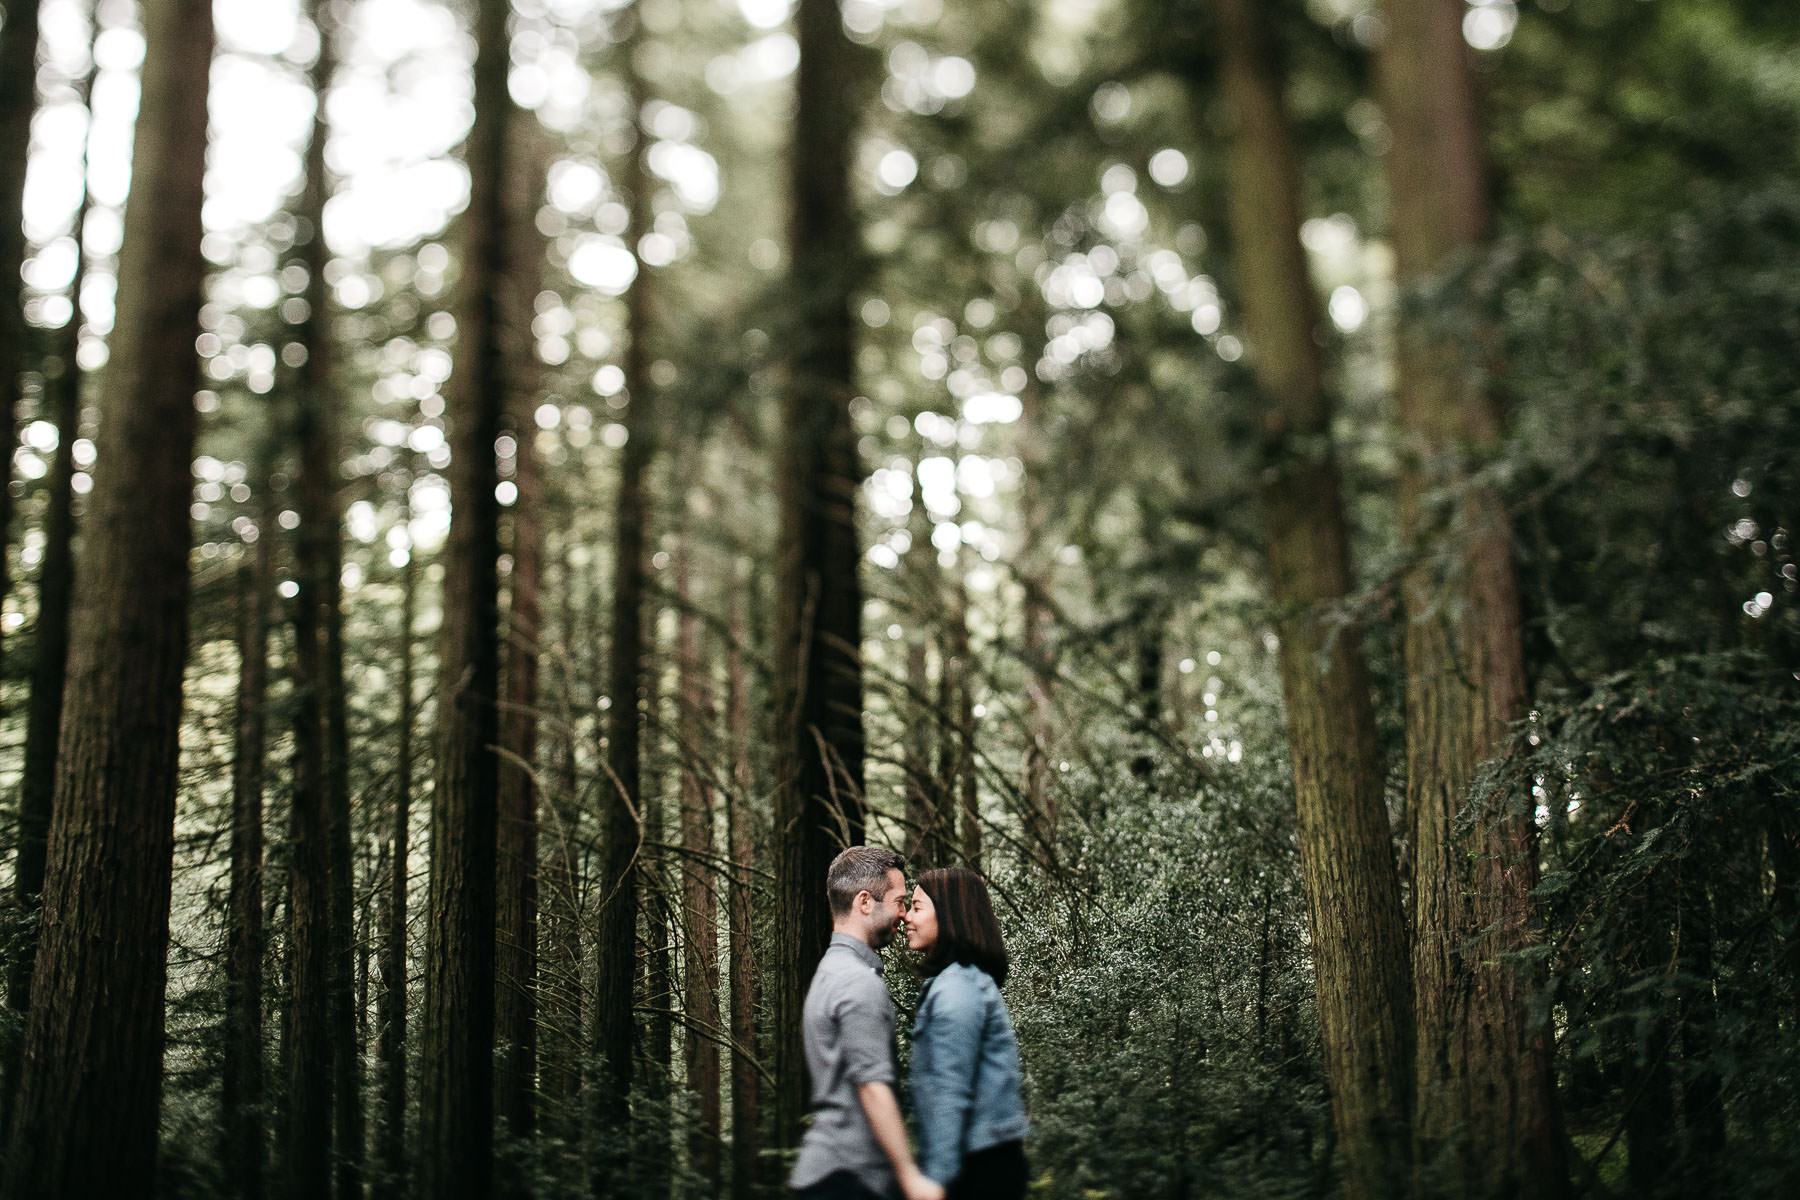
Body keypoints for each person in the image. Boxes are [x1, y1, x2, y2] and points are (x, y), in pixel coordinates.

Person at [791, 846, 946, 1200]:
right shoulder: (857, 982)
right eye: (899, 901)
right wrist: (910, 1177)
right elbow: (872, 1086)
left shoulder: (831, 970)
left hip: (832, 1172)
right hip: (850, 1177)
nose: (904, 914)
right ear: (865, 902)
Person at [902, 867, 1030, 1199]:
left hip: (980, 1168)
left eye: (917, 907)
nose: (906, 917)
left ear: (949, 914)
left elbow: (950, 1087)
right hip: (977, 1160)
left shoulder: (957, 988)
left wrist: (937, 1178)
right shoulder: (956, 982)